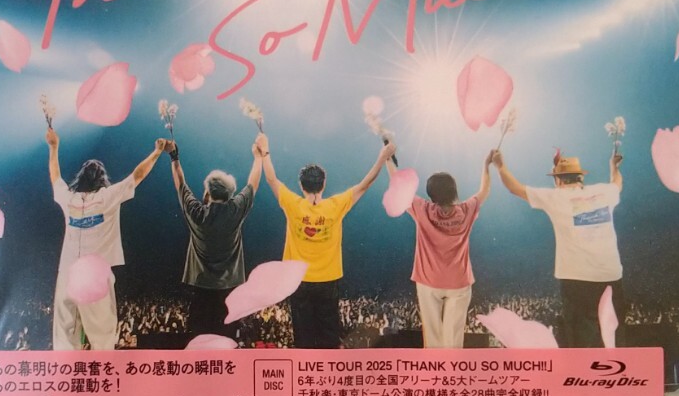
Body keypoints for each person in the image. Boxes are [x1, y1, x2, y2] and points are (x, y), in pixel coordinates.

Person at [256, 131, 396, 348]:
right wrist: (382, 157)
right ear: (323, 184)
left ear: (301, 185)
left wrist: (265, 152)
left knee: (303, 337)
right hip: (328, 280)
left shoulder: (292, 204)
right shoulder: (335, 205)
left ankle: (305, 369)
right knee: (329, 338)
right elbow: (365, 183)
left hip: (297, 281)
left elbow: (271, 179)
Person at [46, 129, 165, 350]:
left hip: (68, 271)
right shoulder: (107, 196)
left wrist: (54, 147)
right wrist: (156, 152)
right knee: (102, 335)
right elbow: (137, 176)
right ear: (102, 179)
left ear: (80, 178)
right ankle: (102, 369)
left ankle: (66, 370)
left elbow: (55, 178)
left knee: (65, 334)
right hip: (95, 274)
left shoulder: (69, 198)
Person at [492, 147, 624, 347]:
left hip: (577, 279)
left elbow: (515, 188)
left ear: (558, 180)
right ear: (580, 178)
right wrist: (613, 166)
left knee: (581, 339)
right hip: (611, 276)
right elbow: (617, 183)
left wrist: (500, 166)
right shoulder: (604, 192)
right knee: (613, 336)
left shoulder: (556, 197)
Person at [386, 152, 494, 348]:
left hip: (429, 282)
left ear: (431, 194)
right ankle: (452, 367)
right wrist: (486, 165)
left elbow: (399, 184)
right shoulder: (466, 210)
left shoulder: (423, 209)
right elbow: (485, 190)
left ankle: (434, 366)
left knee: (433, 339)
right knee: (453, 340)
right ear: (454, 191)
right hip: (459, 282)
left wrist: (387, 158)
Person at [165, 137, 263, 340]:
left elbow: (180, 183)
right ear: (230, 194)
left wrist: (174, 156)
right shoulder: (235, 210)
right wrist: (258, 158)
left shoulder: (197, 213)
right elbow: (252, 184)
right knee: (227, 340)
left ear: (208, 192)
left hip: (201, 289)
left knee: (200, 340)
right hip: (229, 290)